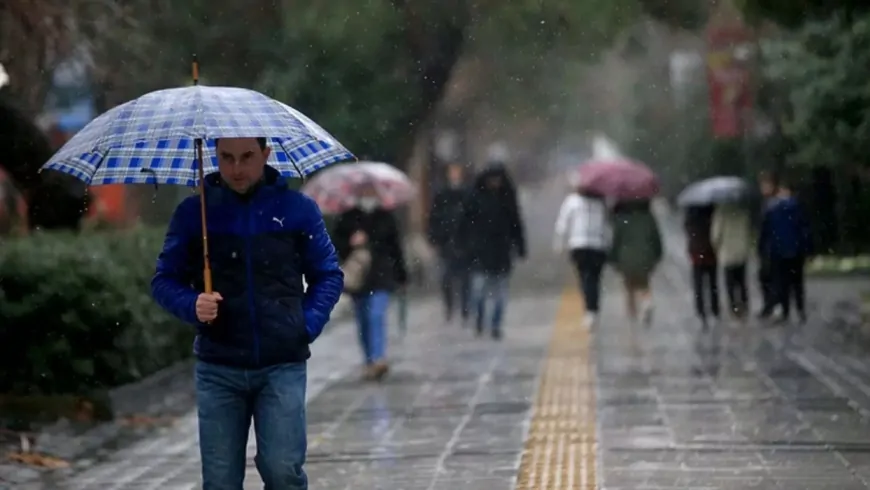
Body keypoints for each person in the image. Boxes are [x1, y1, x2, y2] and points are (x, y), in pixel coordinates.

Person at [151, 137, 344, 490]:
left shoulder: (297, 209)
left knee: (283, 470)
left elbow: (328, 275)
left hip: (281, 364)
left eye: (246, 157)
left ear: (266, 155)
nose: (236, 168)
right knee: (221, 481)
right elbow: (164, 280)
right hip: (218, 366)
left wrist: (306, 323)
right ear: (214, 157)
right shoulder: (196, 214)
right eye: (226, 158)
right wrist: (192, 303)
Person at [332, 184, 408, 380]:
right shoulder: (348, 217)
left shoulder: (385, 216)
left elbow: (395, 248)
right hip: (359, 279)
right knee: (363, 320)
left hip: (381, 275)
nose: (368, 194)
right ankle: (369, 359)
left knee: (376, 315)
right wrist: (350, 242)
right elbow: (335, 245)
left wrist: (402, 275)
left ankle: (378, 358)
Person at [459, 163, 526, 339]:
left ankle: (496, 324)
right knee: (479, 290)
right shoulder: (475, 198)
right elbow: (464, 224)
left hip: (502, 253)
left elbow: (516, 224)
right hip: (480, 253)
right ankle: (480, 319)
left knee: (500, 292)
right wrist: (464, 245)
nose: (495, 183)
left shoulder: (507, 199)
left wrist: (520, 246)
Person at [553, 186, 611, 328]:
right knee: (595, 279)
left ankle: (590, 310)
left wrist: (559, 242)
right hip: (598, 245)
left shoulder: (572, 201)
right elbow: (609, 225)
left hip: (579, 245)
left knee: (585, 277)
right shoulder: (602, 203)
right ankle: (593, 309)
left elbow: (562, 223)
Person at [758, 178, 812, 323]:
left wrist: (762, 250)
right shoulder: (798, 208)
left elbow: (765, 233)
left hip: (778, 252)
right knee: (798, 283)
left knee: (783, 284)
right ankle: (800, 311)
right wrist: (807, 249)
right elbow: (804, 230)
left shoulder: (772, 209)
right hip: (796, 251)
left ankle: (785, 311)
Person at [427, 163, 471, 325]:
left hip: (464, 244)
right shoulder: (441, 195)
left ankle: (465, 308)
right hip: (446, 244)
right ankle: (450, 307)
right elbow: (434, 218)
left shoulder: (467, 194)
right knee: (446, 279)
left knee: (465, 279)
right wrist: (435, 237)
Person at [610, 199, 662, 326]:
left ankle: (632, 318)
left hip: (626, 257)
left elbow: (616, 241)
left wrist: (613, 259)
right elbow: (656, 239)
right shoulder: (648, 217)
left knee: (629, 287)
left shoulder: (621, 218)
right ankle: (647, 302)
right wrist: (657, 256)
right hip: (646, 256)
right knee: (644, 283)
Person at [711, 202, 752, 319]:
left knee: (730, 283)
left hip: (727, 253)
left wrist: (717, 248)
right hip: (741, 251)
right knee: (742, 281)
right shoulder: (743, 212)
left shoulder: (721, 213)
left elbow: (715, 235)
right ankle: (744, 304)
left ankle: (733, 307)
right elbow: (748, 230)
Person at [684, 205, 720, 327]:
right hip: (710, 251)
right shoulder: (711, 210)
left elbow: (687, 229)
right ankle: (715, 309)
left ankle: (701, 311)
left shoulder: (690, 213)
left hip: (697, 253)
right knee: (712, 283)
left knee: (698, 284)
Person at [757, 171, 780, 316]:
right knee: (764, 276)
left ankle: (772, 304)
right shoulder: (766, 203)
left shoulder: (775, 204)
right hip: (767, 247)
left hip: (774, 247)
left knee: (771, 277)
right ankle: (769, 304)